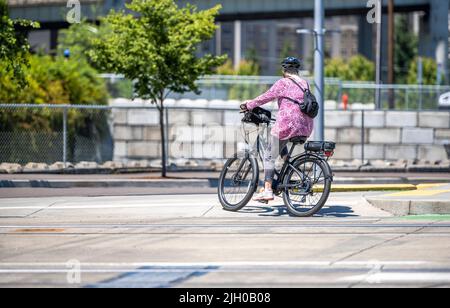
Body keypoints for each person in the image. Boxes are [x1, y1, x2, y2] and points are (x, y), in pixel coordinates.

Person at [240, 57, 314, 202]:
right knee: (280, 145)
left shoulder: (283, 82)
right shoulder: (305, 83)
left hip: (288, 123)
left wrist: (249, 104)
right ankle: (289, 174)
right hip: (306, 125)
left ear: (283, 70)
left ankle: (267, 189)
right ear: (297, 70)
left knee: (269, 154)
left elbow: (266, 97)